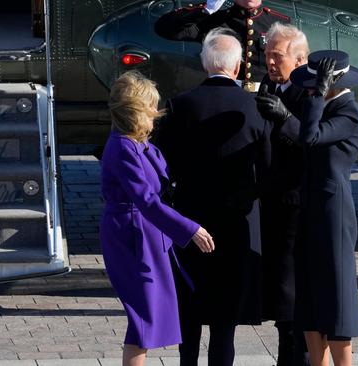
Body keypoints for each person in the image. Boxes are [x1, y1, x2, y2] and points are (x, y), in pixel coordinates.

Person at [155, 28, 271, 366]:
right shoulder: (254, 107)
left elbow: (164, 166)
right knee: (224, 324)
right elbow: (266, 170)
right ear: (237, 68)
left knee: (189, 317)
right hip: (236, 224)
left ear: (205, 66)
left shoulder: (180, 105)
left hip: (189, 221)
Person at [99, 71, 216, 366]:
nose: (155, 113)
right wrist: (189, 229)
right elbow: (148, 201)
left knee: (146, 318)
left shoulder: (137, 143)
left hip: (145, 234)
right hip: (132, 237)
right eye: (149, 108)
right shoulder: (123, 147)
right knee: (143, 317)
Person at [289, 50, 358, 366]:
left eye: (316, 84)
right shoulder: (324, 105)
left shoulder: (349, 111)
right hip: (310, 207)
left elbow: (309, 136)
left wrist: (317, 97)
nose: (310, 90)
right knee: (308, 295)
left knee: (336, 298)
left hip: (333, 212)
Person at [253, 22, 310, 366]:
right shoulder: (268, 83)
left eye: (277, 57)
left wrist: (285, 117)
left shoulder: (310, 91)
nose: (270, 63)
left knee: (292, 296)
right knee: (277, 295)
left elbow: (314, 141)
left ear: (300, 59)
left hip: (295, 205)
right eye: (268, 56)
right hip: (270, 203)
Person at [155, 0, 290, 92]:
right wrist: (206, 9)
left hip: (262, 100)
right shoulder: (215, 19)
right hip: (224, 97)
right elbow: (165, 29)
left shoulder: (279, 22)